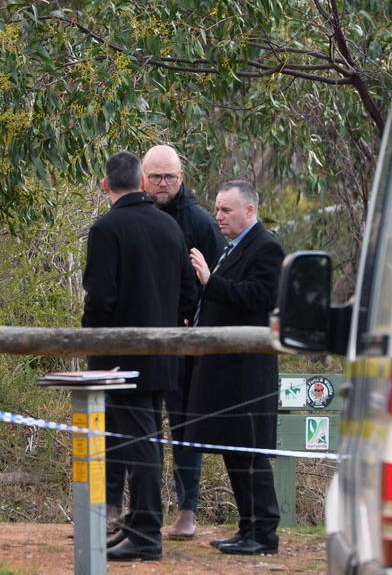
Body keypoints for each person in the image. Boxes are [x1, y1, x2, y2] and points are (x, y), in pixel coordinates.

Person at [82, 151, 198, 562]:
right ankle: (138, 523)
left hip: (120, 355)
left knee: (139, 443)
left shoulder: (106, 229)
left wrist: (90, 342)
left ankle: (146, 533)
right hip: (163, 354)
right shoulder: (169, 228)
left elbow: (100, 299)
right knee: (146, 440)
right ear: (143, 183)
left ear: (105, 186)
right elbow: (189, 293)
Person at [185, 180, 285, 556]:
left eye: (226, 209)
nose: (219, 216)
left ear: (250, 210)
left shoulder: (267, 247)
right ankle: (247, 529)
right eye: (217, 208)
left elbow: (258, 298)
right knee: (234, 451)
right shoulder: (231, 248)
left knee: (252, 453)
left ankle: (264, 534)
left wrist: (211, 282)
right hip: (226, 370)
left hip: (249, 371)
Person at [142, 144, 225, 540]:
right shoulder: (131, 217)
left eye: (168, 177)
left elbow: (216, 285)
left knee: (185, 429)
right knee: (141, 426)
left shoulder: (200, 222)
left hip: (186, 345)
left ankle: (187, 509)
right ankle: (141, 509)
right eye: (155, 176)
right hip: (140, 341)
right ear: (143, 178)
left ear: (181, 178)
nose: (162, 184)